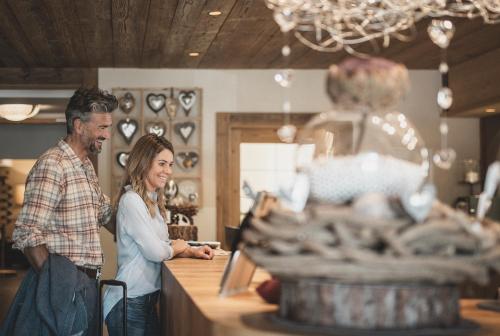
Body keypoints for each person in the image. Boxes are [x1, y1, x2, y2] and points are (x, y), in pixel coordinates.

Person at [0, 87, 117, 336]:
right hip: (66, 288)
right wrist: (60, 287)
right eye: (102, 127)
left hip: (87, 285)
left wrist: (144, 199)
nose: (107, 134)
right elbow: (28, 234)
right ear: (78, 125)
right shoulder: (53, 165)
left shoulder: (85, 167)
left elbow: (107, 215)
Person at [104, 133, 214, 336]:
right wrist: (178, 247)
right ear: (144, 162)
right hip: (129, 301)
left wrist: (190, 251)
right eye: (162, 163)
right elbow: (155, 251)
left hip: (145, 301)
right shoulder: (131, 201)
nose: (168, 171)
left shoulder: (152, 202)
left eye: (170, 164)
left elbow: (161, 244)